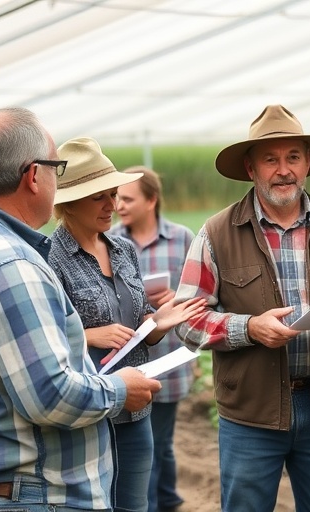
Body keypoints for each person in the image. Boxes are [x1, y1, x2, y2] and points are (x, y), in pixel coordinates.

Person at [0, 107, 163, 511]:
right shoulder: (12, 264)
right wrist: (120, 389)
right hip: (34, 495)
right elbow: (50, 396)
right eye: (57, 168)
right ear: (33, 175)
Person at [174, 104, 310, 511]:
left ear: (308, 163)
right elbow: (186, 319)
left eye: (293, 157)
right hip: (251, 414)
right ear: (251, 168)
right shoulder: (217, 233)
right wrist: (248, 328)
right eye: (270, 160)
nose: (283, 170)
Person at [48, 138, 205, 512]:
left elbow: (137, 325)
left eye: (113, 194)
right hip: (87, 413)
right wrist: (88, 335)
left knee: (135, 505)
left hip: (135, 409)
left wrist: (158, 323)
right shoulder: (49, 258)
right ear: (69, 202)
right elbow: (40, 336)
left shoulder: (122, 250)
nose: (112, 205)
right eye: (98, 197)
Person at [109, 166, 196, 512]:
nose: (118, 205)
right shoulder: (110, 241)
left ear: (151, 201)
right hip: (128, 362)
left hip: (170, 359)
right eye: (116, 198)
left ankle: (163, 500)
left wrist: (179, 297)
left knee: (159, 442)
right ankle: (165, 500)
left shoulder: (182, 239)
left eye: (128, 199)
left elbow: (203, 295)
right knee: (146, 446)